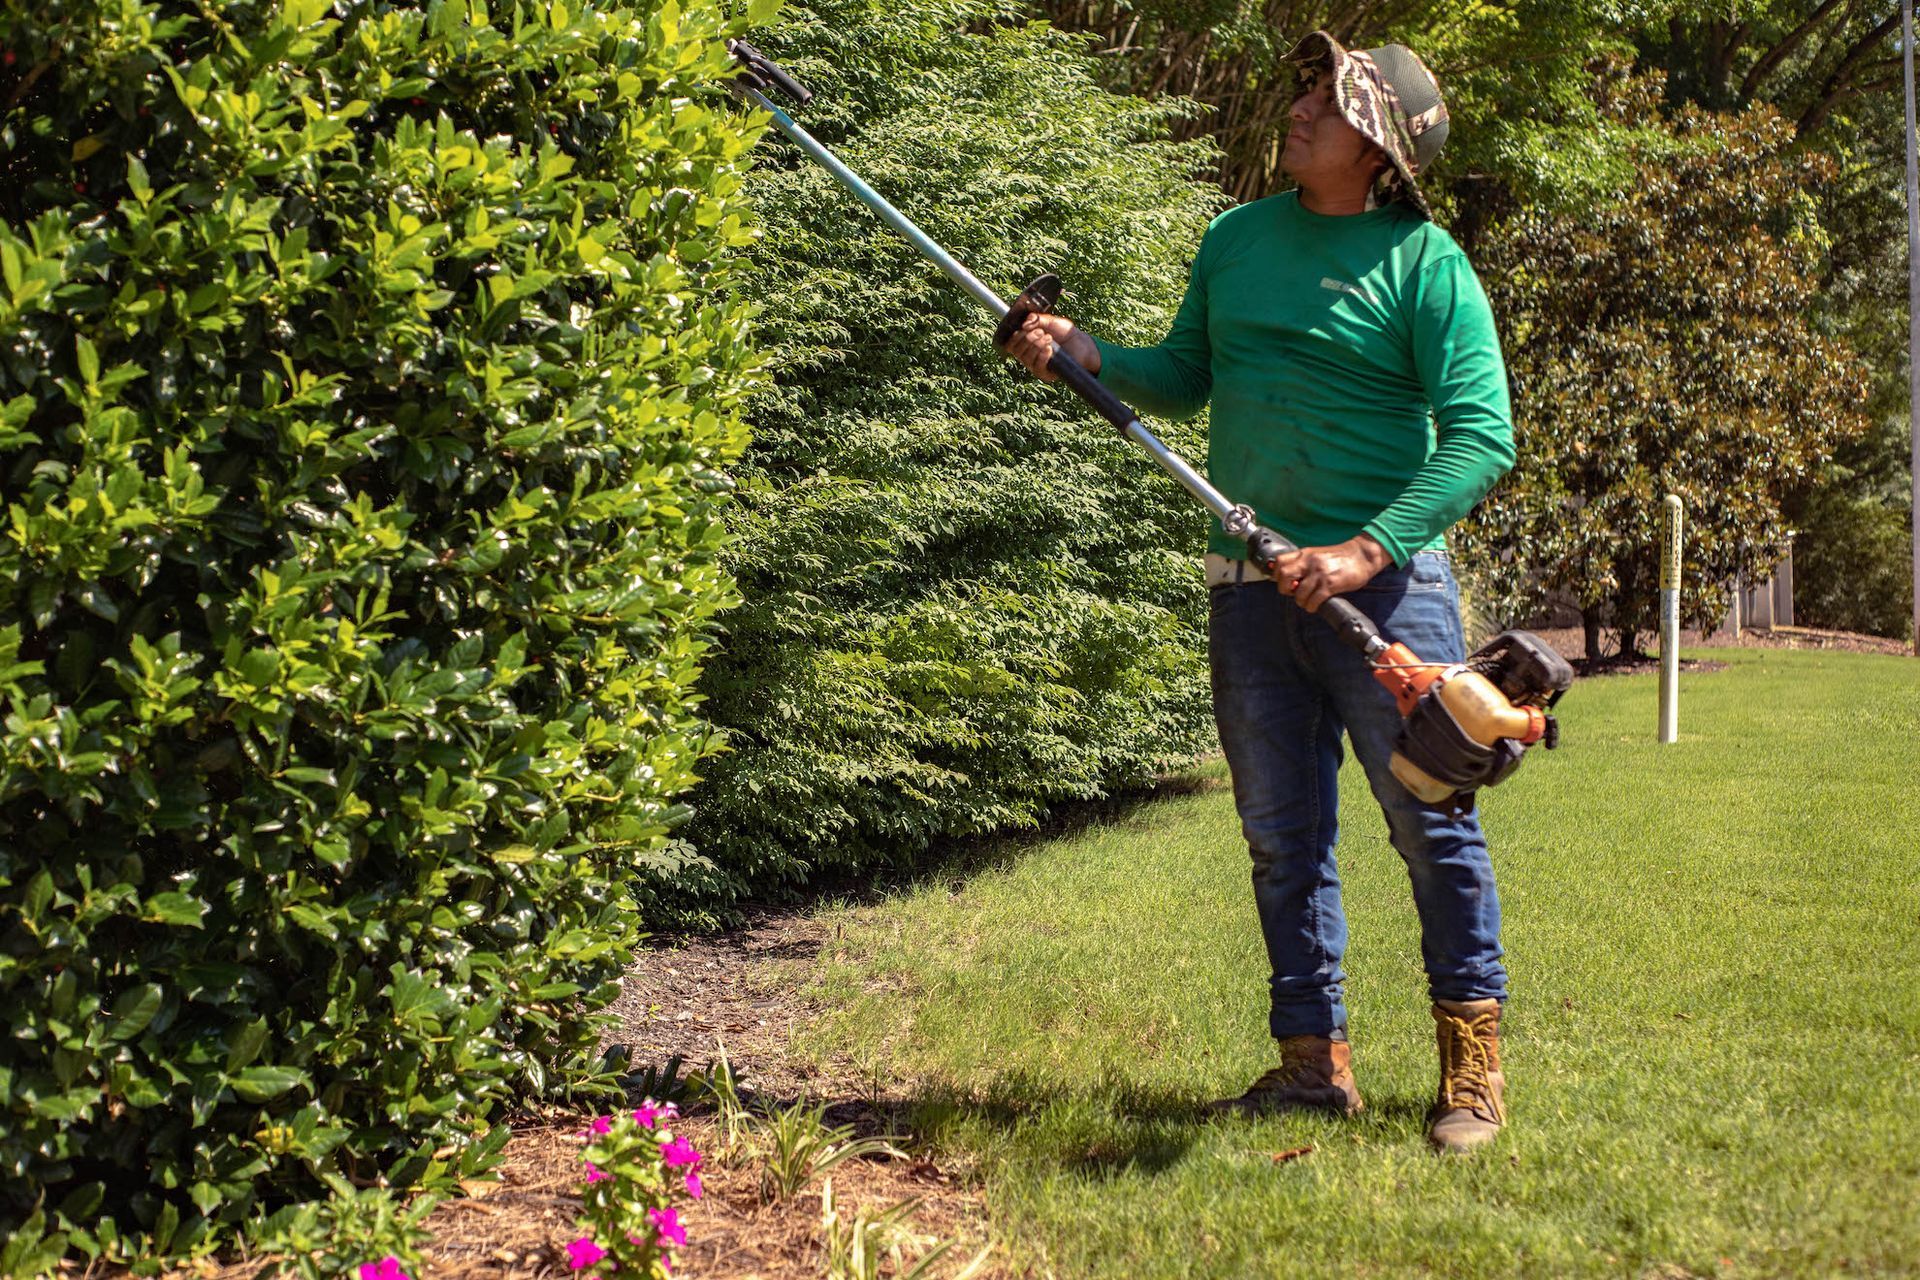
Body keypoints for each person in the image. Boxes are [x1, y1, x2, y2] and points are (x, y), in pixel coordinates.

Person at [1000, 32, 1516, 1152]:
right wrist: (1086, 353)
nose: (1298, 111)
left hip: (1386, 598)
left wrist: (1362, 552)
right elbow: (1186, 376)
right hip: (1248, 590)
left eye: (1326, 106)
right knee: (1283, 835)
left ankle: (1471, 1071)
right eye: (1305, 93)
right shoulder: (1236, 239)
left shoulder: (1427, 268)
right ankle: (1310, 1064)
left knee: (1432, 822)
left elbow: (1482, 440)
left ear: (1377, 150)